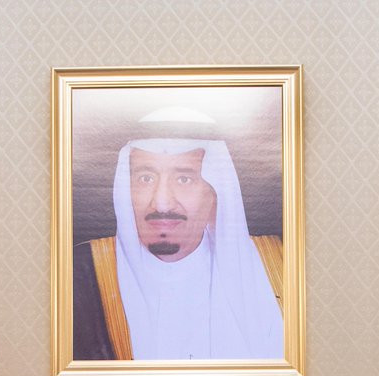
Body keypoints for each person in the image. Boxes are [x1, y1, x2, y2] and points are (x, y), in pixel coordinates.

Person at [73, 134, 284, 361]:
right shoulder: (79, 277)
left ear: (214, 193)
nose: (162, 203)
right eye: (146, 179)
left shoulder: (281, 267)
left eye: (184, 179)